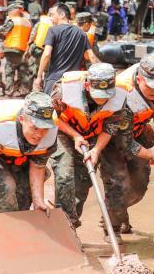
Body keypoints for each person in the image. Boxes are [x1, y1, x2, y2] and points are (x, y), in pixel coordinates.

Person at [50, 63, 127, 233]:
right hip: (63, 131)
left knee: (84, 179)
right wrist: (75, 136)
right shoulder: (64, 90)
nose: (103, 100)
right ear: (87, 85)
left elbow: (110, 128)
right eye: (99, 95)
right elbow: (52, 118)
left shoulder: (120, 96)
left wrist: (96, 150)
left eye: (107, 95)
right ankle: (61, 228)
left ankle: (71, 224)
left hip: (91, 134)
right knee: (64, 175)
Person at [103, 55, 154, 233]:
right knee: (119, 184)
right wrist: (152, 155)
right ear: (139, 79)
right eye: (150, 86)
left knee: (139, 185)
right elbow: (124, 143)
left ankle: (114, 211)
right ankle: (112, 229)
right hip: (111, 138)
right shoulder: (123, 94)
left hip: (136, 132)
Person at [0, 92, 57, 219]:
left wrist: (38, 200)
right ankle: (1, 226)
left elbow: (38, 166)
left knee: (23, 198)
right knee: (7, 187)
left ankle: (18, 229)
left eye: (44, 129)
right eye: (35, 128)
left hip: (21, 156)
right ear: (22, 119)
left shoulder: (51, 129)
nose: (39, 134)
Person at [33, 3, 98, 95]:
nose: (51, 18)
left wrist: (39, 76)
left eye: (53, 14)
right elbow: (92, 57)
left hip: (54, 80)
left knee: (50, 108)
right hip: (74, 81)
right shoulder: (82, 33)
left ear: (62, 15)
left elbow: (47, 54)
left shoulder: (53, 30)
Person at [0, 1, 32, 97]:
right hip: (23, 49)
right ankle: (24, 91)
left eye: (9, 11)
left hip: (12, 49)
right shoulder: (27, 22)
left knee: (9, 71)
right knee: (23, 72)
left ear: (13, 11)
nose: (8, 13)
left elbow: (3, 30)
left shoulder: (13, 21)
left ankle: (9, 92)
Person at [26, 7, 55, 80]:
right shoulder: (55, 24)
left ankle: (29, 89)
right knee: (47, 70)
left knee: (33, 68)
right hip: (48, 50)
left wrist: (29, 45)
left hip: (36, 48)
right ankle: (45, 88)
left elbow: (33, 34)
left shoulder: (41, 22)